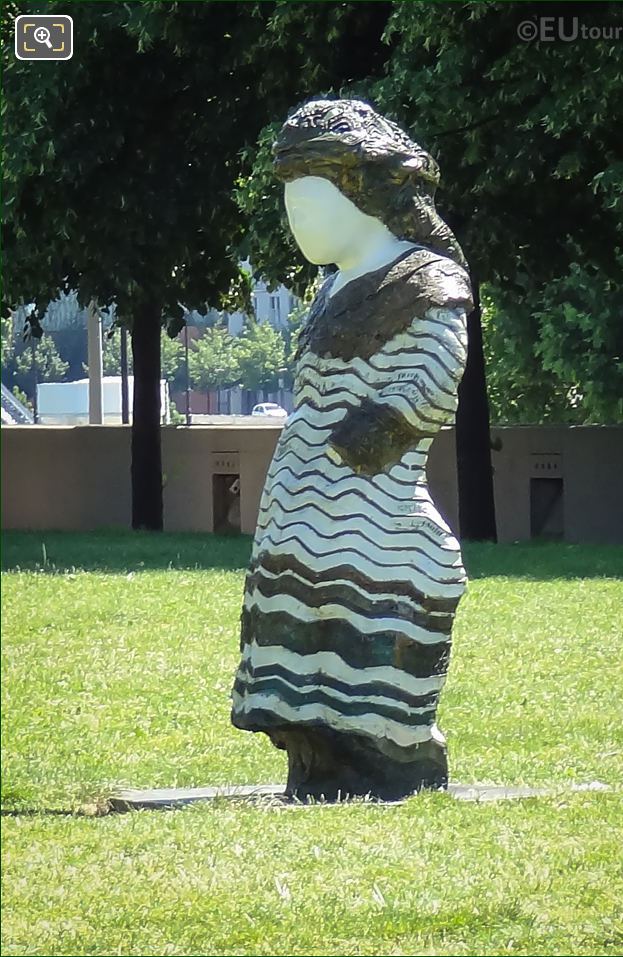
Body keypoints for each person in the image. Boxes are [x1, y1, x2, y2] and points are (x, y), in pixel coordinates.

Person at [231, 98, 473, 801]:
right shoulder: (330, 285)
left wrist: (383, 425)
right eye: (290, 205)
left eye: (308, 202)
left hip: (371, 499)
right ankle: (319, 755)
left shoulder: (425, 280)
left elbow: (435, 370)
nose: (295, 220)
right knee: (297, 621)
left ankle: (384, 752)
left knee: (378, 603)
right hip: (302, 496)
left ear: (360, 193)